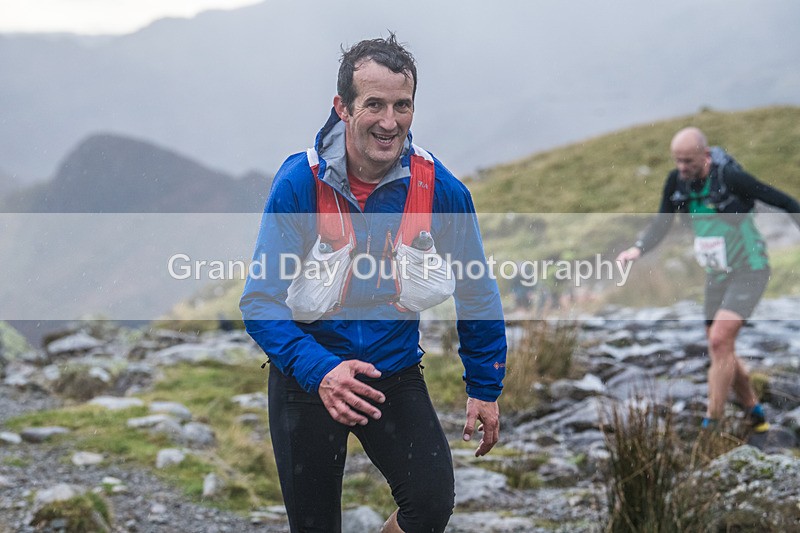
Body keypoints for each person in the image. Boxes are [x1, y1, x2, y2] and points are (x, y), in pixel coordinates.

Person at [239, 34, 507, 533]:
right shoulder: (300, 183)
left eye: (402, 105)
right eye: (375, 105)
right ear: (342, 107)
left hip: (394, 372)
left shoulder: (440, 190)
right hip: (306, 379)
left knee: (428, 507)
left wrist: (485, 386)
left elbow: (477, 289)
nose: (390, 122)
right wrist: (321, 371)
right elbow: (259, 302)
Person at [616, 127, 800, 432]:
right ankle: (755, 412)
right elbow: (662, 222)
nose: (682, 167)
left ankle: (711, 424)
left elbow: (783, 200)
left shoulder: (730, 178)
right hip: (717, 275)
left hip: (750, 269)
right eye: (677, 161)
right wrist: (638, 248)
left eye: (688, 161)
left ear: (705, 155)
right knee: (720, 346)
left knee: (718, 340)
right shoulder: (677, 183)